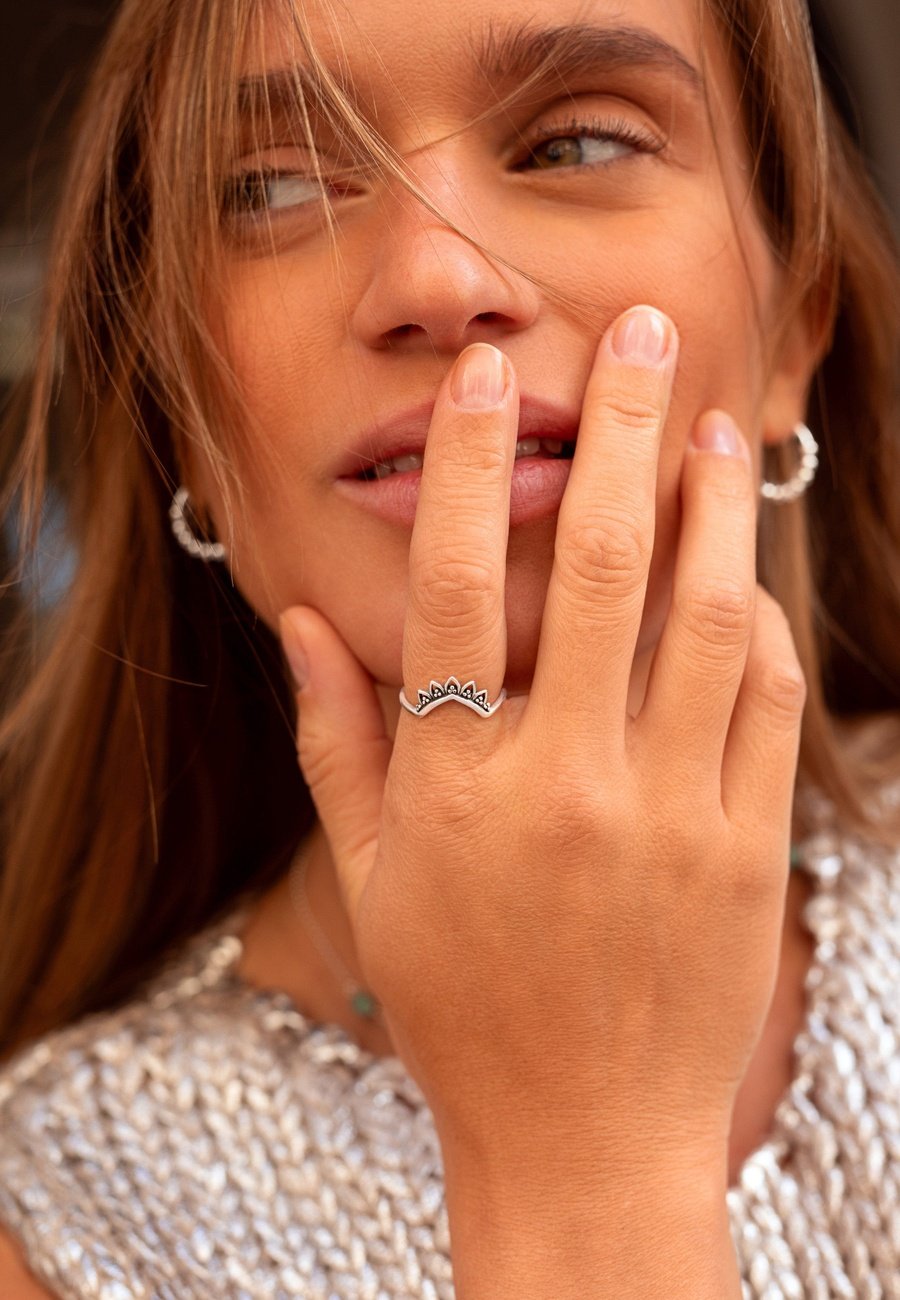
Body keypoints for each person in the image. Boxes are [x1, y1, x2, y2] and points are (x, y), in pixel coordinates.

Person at [0, 0, 898, 1293]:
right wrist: (581, 1158)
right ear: (187, 421)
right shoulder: (68, 1223)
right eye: (274, 184)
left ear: (795, 326)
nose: (436, 279)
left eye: (576, 145)